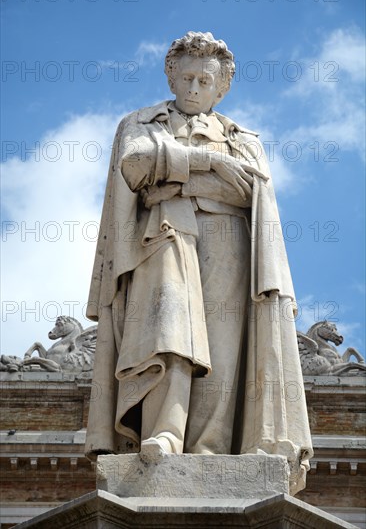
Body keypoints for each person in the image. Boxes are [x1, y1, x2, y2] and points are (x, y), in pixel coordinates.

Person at [85, 31, 313, 494]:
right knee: (167, 335)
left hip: (229, 240)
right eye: (185, 77)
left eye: (203, 80)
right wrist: (207, 165)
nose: (192, 88)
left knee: (223, 344)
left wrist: (174, 178)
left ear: (221, 86)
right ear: (170, 75)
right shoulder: (141, 122)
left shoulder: (242, 138)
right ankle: (164, 433)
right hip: (163, 238)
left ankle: (209, 447)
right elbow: (135, 166)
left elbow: (248, 191)